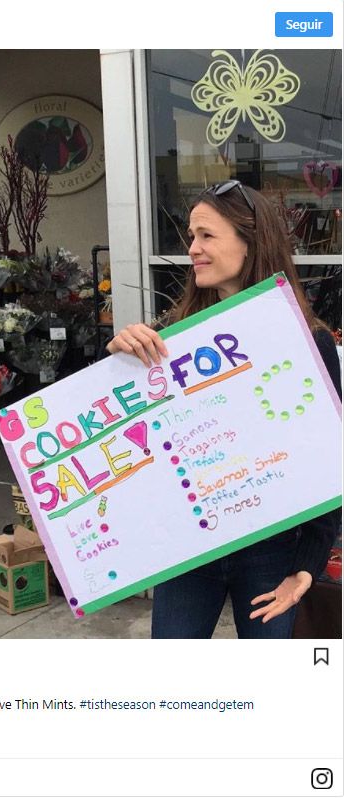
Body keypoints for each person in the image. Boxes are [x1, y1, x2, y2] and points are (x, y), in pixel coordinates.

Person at [107, 180, 341, 639]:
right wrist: (117, 359)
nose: (192, 248)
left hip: (272, 549)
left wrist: (307, 566)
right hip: (188, 545)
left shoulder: (306, 342)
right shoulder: (169, 343)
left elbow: (327, 459)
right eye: (191, 236)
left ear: (251, 241)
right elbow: (121, 427)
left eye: (206, 236)